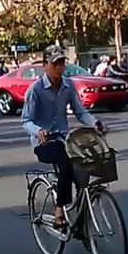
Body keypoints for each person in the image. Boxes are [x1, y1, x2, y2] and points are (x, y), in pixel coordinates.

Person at [20, 48, 107, 228]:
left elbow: (80, 112)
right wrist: (38, 131)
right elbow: (26, 121)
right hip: (43, 143)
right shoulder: (35, 90)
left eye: (62, 63)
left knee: (83, 169)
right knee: (66, 164)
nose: (59, 68)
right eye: (55, 64)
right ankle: (59, 209)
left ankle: (82, 219)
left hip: (64, 139)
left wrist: (95, 123)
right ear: (45, 66)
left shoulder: (68, 86)